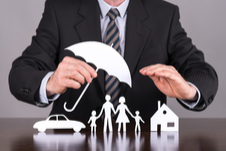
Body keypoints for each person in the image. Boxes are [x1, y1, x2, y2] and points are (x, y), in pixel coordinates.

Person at [9, 0, 218, 120]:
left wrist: (189, 91)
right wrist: (51, 83)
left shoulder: (164, 14)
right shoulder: (60, 10)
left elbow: (203, 73)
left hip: (144, 141)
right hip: (73, 142)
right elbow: (20, 74)